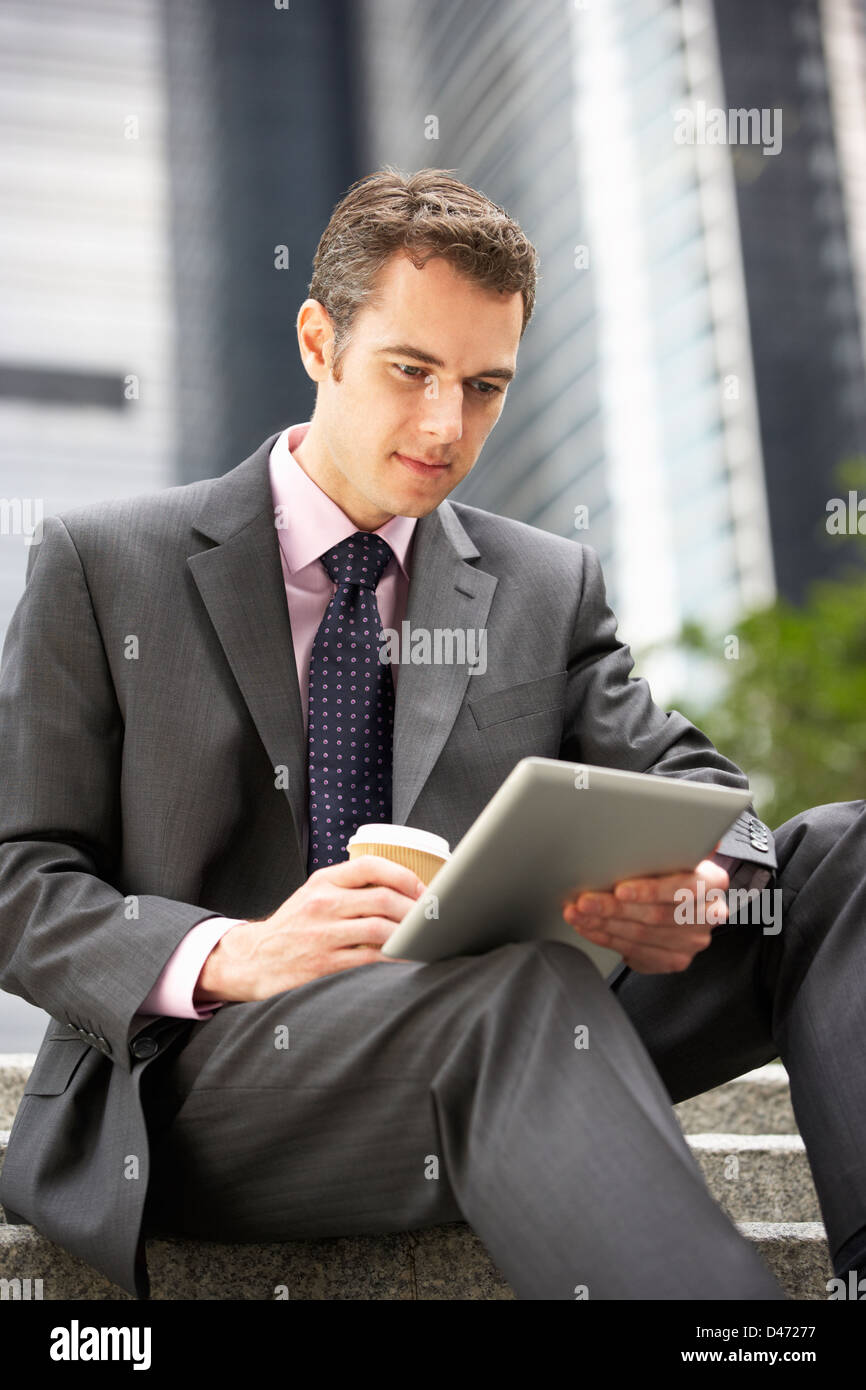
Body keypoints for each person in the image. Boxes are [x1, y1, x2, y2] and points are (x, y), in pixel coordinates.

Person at [0, 168, 863, 1301]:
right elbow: (19, 873)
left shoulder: (542, 584)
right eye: (411, 370)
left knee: (837, 855)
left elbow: (694, 785)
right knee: (513, 990)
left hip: (515, 1039)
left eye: (484, 385)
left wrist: (693, 880)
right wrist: (230, 950)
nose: (443, 425)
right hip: (210, 1087)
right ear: (319, 340)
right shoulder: (106, 563)